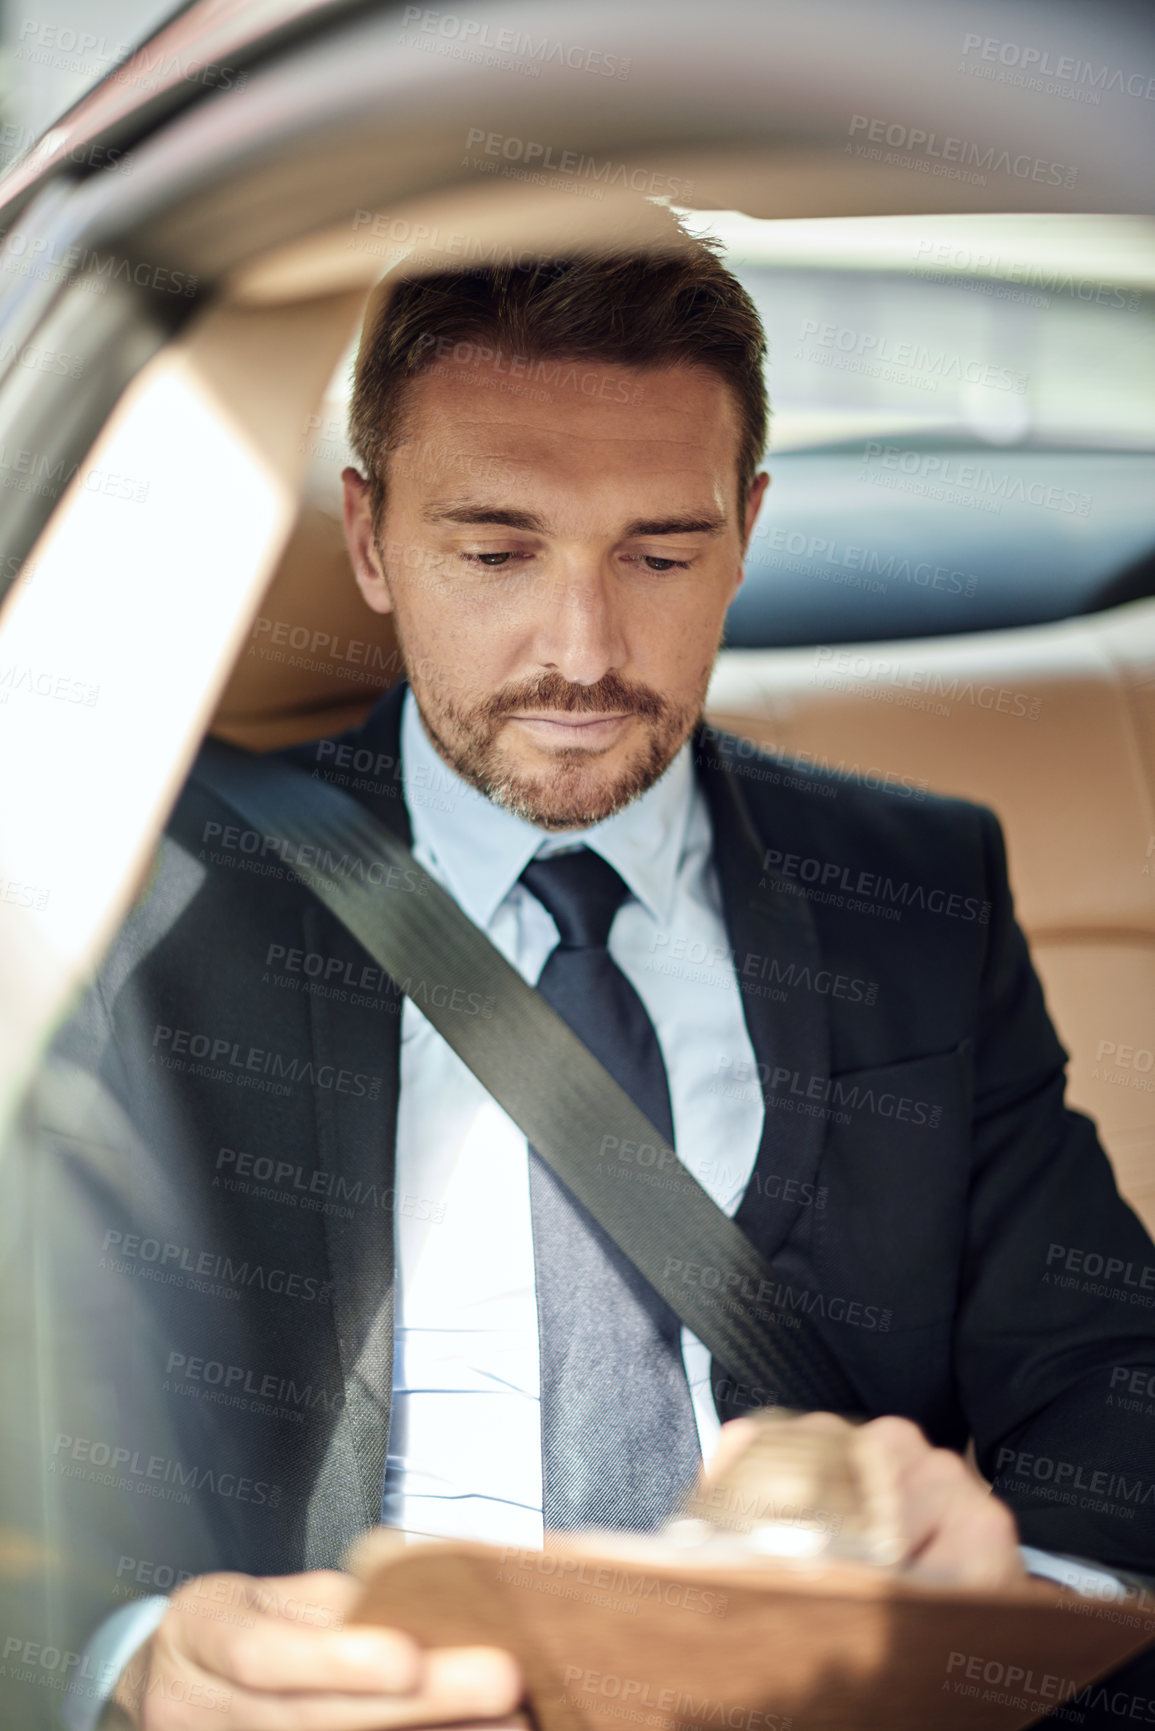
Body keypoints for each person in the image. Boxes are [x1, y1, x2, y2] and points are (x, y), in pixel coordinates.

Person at [24, 207, 1155, 1731]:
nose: (582, 647)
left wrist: (1018, 1606)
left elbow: (1113, 1382)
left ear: (748, 529)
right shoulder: (138, 901)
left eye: (661, 551)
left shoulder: (914, 897)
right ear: (369, 539)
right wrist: (134, 1669)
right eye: (495, 549)